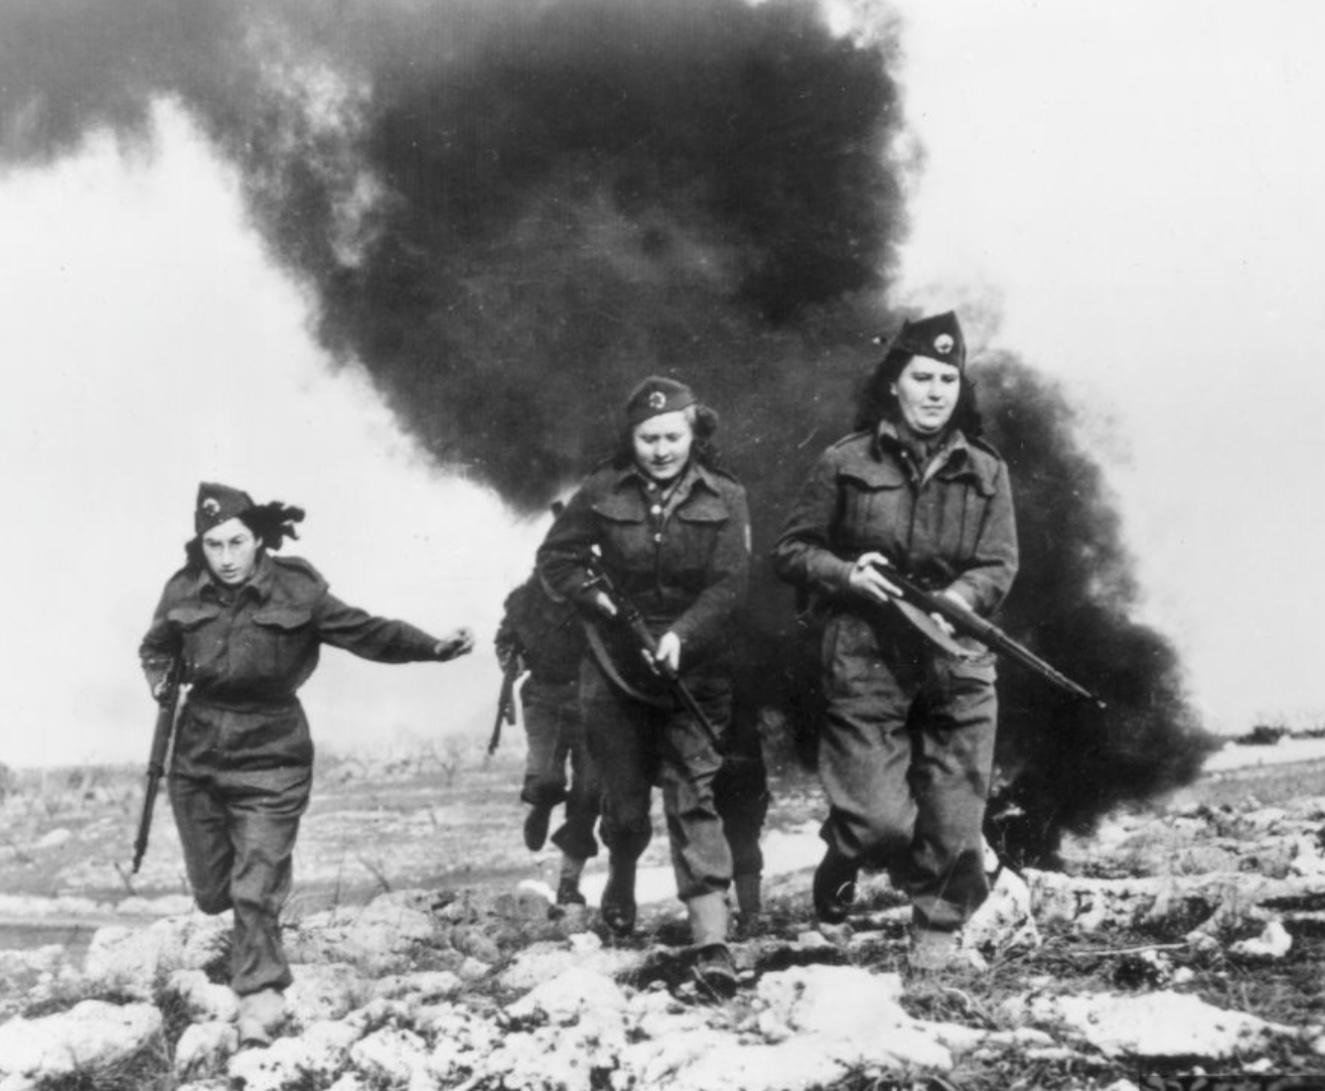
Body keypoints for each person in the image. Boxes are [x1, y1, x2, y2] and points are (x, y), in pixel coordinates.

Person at [139, 482, 474, 1045]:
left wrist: (433, 647)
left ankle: (260, 1002)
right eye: (214, 545)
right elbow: (155, 646)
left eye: (237, 542)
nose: (225, 558)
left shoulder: (298, 589)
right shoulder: (181, 588)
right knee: (213, 892)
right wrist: (160, 680)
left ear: (258, 539)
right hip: (196, 754)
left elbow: (370, 633)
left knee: (257, 882)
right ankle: (247, 944)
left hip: (273, 752)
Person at [772, 311, 1018, 971]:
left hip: (955, 657)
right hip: (865, 654)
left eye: (947, 377)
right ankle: (845, 849)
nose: (936, 390)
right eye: (922, 376)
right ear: (894, 384)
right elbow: (792, 549)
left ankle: (933, 945)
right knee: (880, 821)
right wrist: (846, 573)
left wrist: (958, 602)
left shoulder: (986, 471)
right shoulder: (846, 462)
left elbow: (998, 562)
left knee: (953, 812)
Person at [536, 376, 751, 995]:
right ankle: (622, 873)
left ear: (694, 434)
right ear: (630, 438)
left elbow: (730, 584)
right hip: (613, 668)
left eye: (673, 436)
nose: (660, 449)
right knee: (625, 806)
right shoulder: (602, 489)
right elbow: (557, 559)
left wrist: (683, 634)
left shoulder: (726, 495)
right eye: (648, 437)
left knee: (694, 796)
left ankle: (711, 940)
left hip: (696, 667)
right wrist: (599, 601)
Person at [494, 557, 600, 907]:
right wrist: (512, 660)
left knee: (588, 794)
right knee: (544, 778)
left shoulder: (592, 597)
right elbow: (505, 641)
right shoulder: (522, 602)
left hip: (591, 701)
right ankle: (540, 805)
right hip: (544, 699)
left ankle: (569, 882)